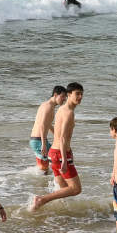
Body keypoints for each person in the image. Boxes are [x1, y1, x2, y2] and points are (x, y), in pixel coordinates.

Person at [32, 82, 83, 210]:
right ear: (69, 94)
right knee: (76, 189)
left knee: (63, 190)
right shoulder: (69, 112)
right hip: (60, 155)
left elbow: (56, 131)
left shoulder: (60, 109)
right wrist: (65, 159)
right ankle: (41, 200)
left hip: (53, 154)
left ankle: (58, 215)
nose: (80, 97)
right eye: (77, 94)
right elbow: (63, 137)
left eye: (82, 94)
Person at [31, 86, 67, 173]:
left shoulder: (46, 105)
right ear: (55, 95)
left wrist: (57, 136)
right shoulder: (48, 107)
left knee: (47, 166)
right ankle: (43, 185)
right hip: (39, 141)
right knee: (46, 168)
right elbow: (42, 125)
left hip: (38, 140)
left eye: (65, 97)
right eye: (62, 96)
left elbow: (48, 124)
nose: (64, 99)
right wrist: (43, 144)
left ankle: (44, 184)